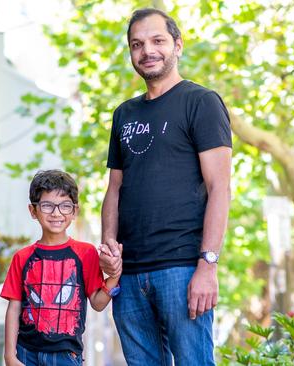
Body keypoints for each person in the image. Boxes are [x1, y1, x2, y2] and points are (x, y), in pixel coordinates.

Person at [99, 7, 232, 366]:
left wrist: (208, 266)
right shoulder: (124, 114)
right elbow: (114, 189)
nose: (147, 51)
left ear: (178, 45)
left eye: (158, 41)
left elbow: (220, 187)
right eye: (137, 44)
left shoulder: (201, 102)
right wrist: (109, 252)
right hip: (129, 277)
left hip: (182, 269)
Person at [1, 170, 122, 366]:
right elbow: (14, 308)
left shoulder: (86, 253)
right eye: (47, 206)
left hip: (67, 356)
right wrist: (9, 356)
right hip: (26, 353)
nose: (56, 213)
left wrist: (115, 276)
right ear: (33, 211)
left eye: (65, 206)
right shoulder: (22, 257)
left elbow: (98, 303)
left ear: (74, 211)